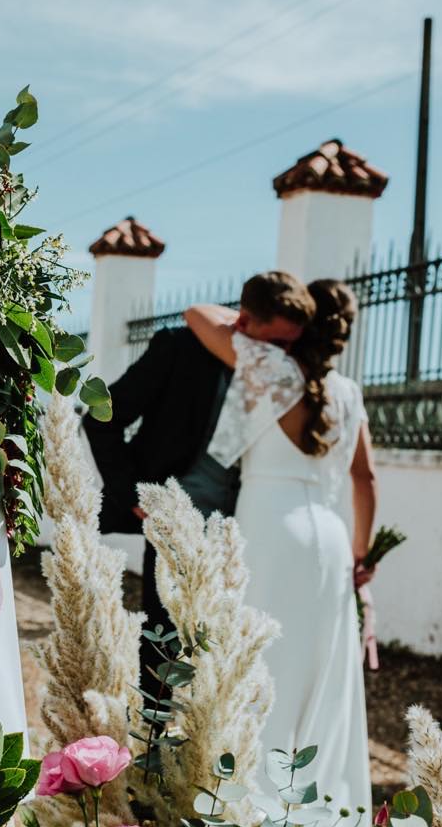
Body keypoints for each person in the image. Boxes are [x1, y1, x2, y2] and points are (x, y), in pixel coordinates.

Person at [184, 272, 379, 822]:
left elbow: (198, 313)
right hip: (331, 535)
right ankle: (319, 817)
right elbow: (366, 480)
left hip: (270, 524)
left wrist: (248, 321)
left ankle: (251, 809)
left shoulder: (268, 366)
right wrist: (362, 556)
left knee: (262, 664)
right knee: (322, 674)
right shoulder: (348, 392)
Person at [83, 277, 318, 684]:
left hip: (254, 528)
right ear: (243, 322)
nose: (284, 358)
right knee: (164, 651)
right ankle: (154, 744)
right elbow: (103, 418)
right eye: (276, 345)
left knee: (234, 658)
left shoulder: (294, 371)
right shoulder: (178, 348)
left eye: (291, 346)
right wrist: (135, 494)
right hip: (179, 522)